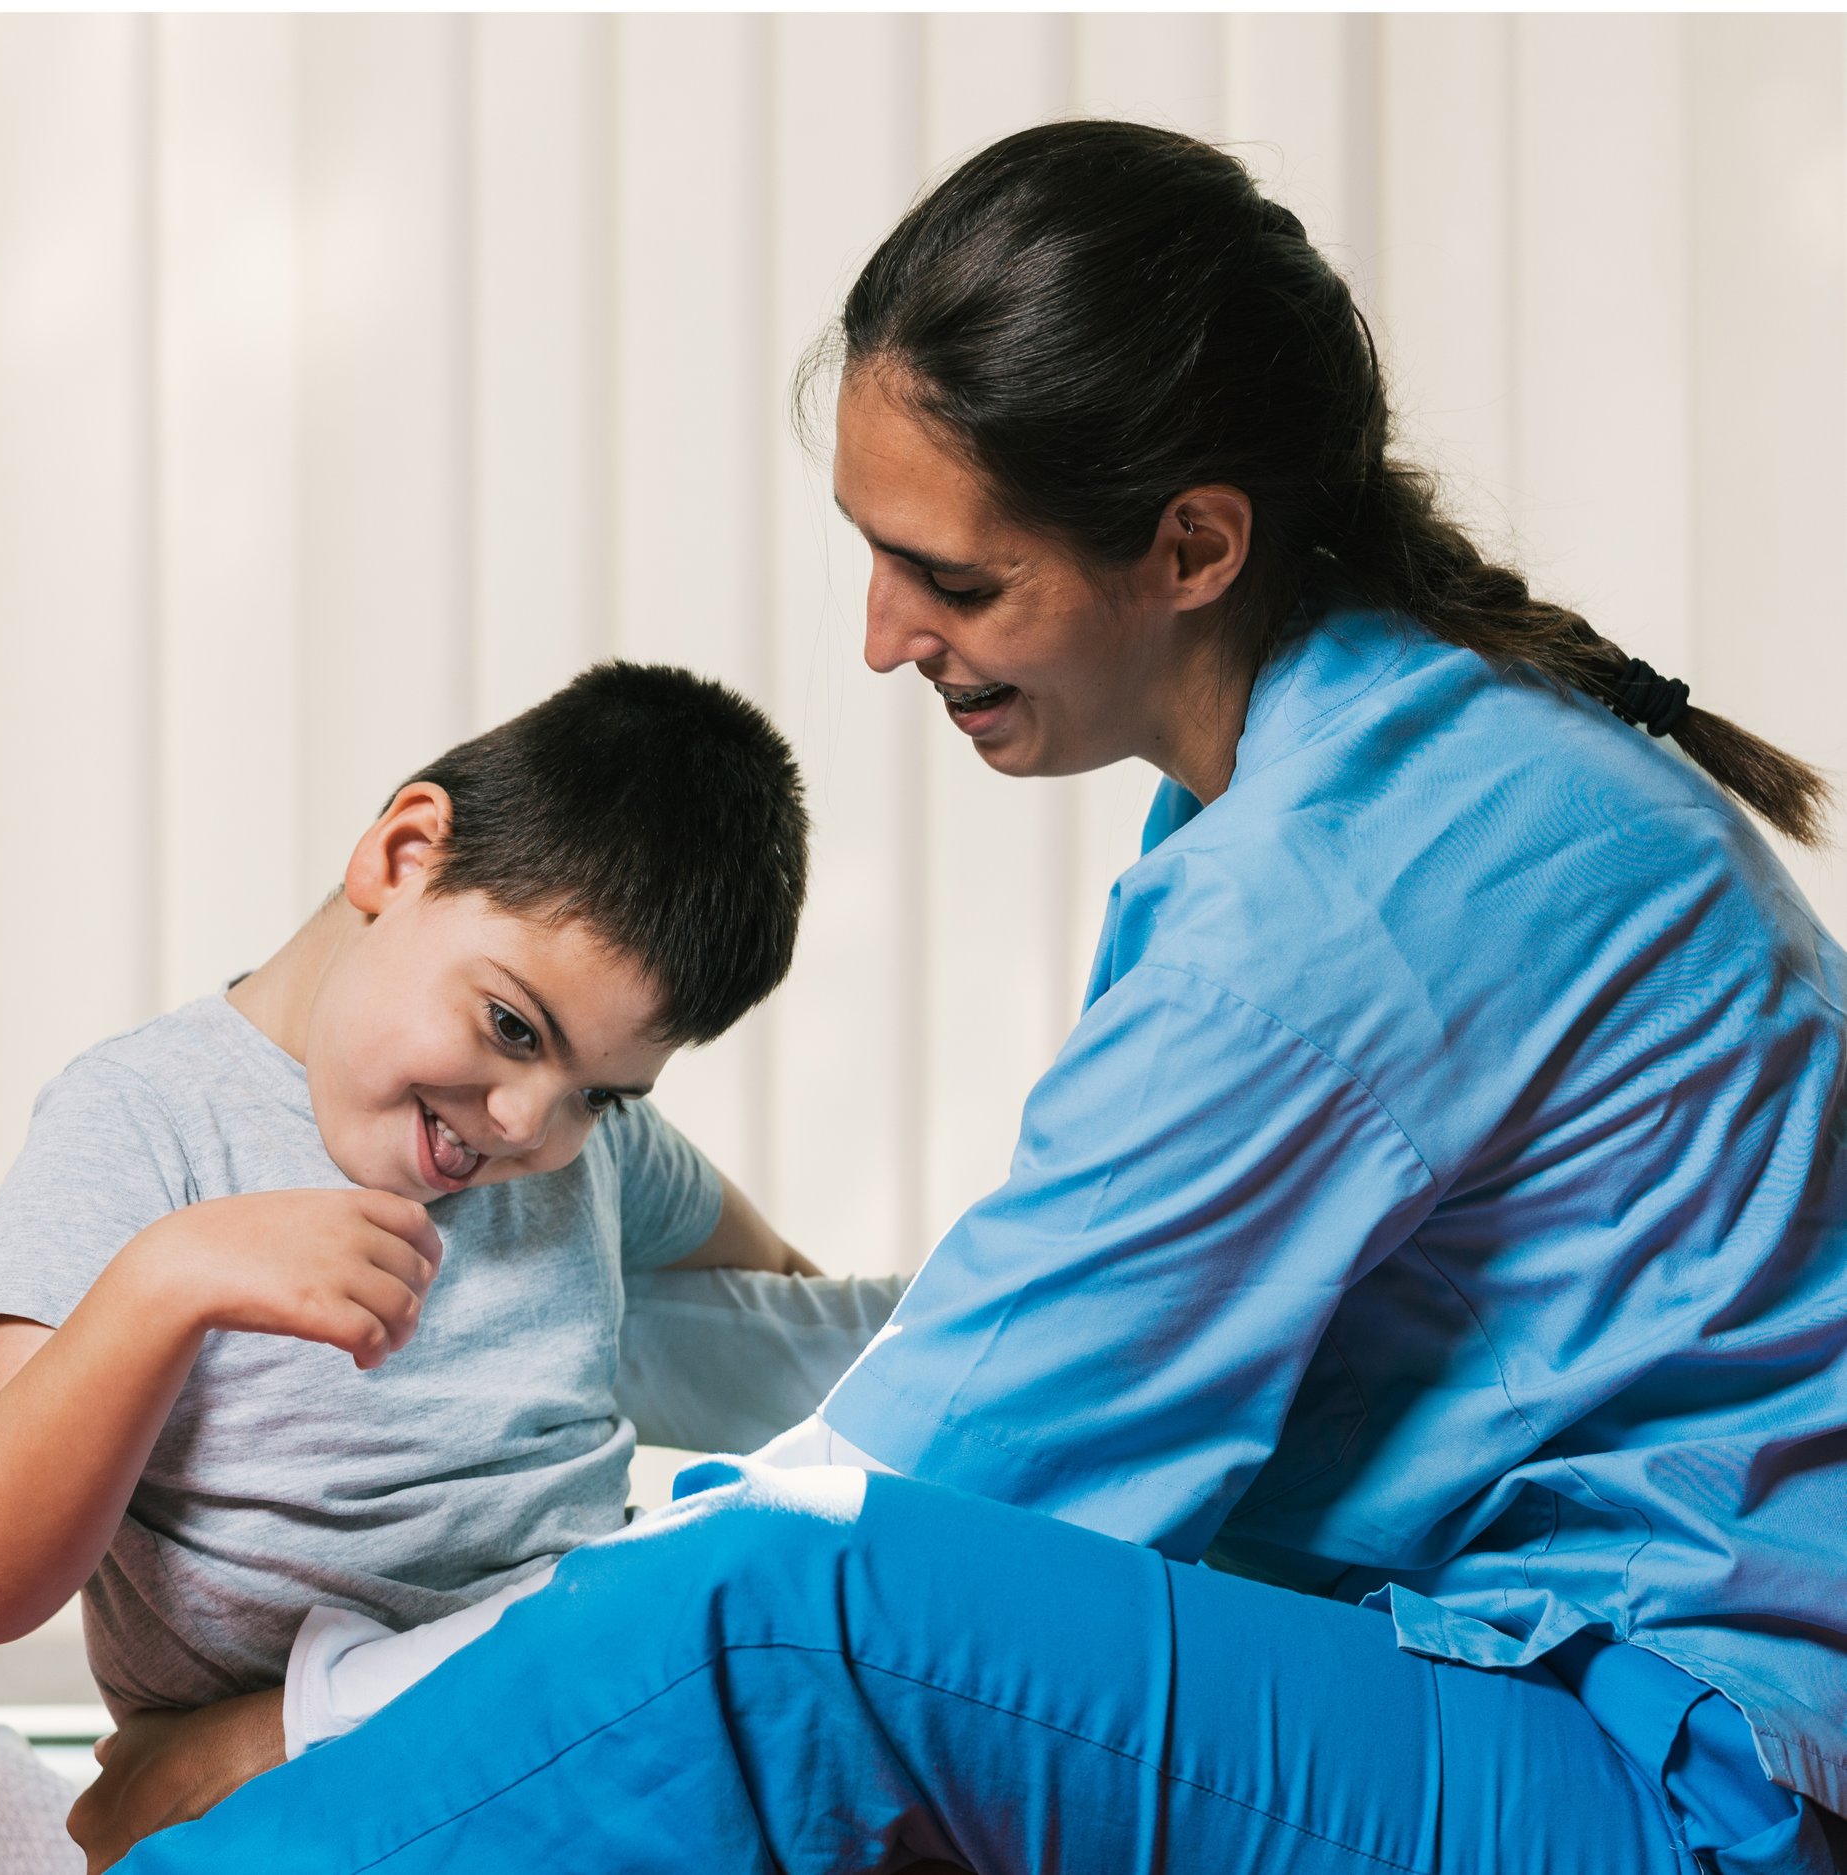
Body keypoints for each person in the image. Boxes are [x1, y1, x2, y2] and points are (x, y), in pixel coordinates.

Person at [101, 120, 1847, 1875]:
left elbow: (892, 1511)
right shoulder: (1375, 768)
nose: (880, 636)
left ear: (1193, 546)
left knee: (784, 1622)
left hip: (1677, 1777)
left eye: (953, 579)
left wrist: (296, 1728)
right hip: (1544, 1679)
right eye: (875, 553)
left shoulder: (1333, 896)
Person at [0, 663, 906, 1875]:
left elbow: (786, 1316)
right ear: (404, 854)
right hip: (268, 1794)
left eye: (603, 1091)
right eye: (510, 1025)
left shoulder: (587, 1160)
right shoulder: (139, 1123)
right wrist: (169, 1282)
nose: (527, 1124)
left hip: (550, 1740)